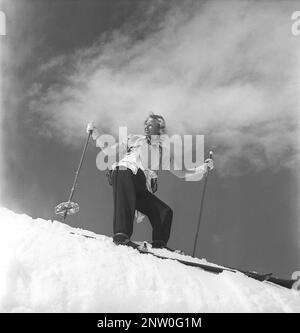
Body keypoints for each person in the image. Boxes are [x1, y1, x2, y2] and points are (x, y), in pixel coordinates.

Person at [87, 113, 214, 251]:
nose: (146, 127)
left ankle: (159, 245)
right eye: (146, 124)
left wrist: (203, 168)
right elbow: (110, 151)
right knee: (126, 200)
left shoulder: (162, 152)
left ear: (159, 128)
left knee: (164, 212)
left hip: (141, 182)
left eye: (151, 125)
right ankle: (121, 237)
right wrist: (96, 134)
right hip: (125, 171)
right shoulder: (134, 140)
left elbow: (182, 173)